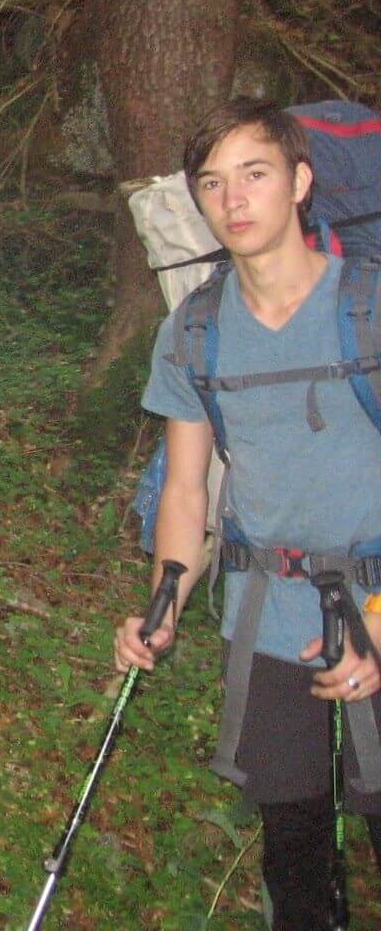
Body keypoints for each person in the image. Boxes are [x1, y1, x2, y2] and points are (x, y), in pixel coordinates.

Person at [115, 99, 381, 930]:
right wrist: (165, 600)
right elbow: (187, 490)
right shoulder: (195, 330)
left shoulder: (369, 307)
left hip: (377, 600)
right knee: (292, 845)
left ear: (300, 182)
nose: (233, 199)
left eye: (254, 174)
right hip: (268, 615)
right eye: (212, 183)